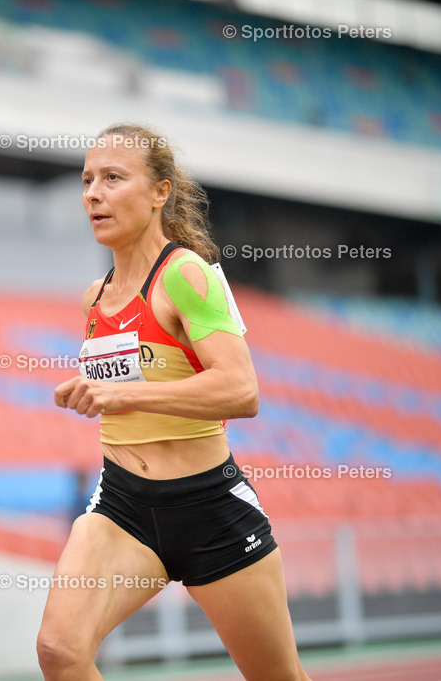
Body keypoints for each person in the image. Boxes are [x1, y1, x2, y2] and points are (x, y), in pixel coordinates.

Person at [37, 123, 309, 681]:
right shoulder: (95, 297)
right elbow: (140, 375)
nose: (93, 193)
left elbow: (242, 389)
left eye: (113, 178)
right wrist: (96, 391)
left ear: (161, 192)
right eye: (87, 180)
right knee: (60, 652)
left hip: (210, 510)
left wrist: (121, 392)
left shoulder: (188, 274)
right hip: (123, 508)